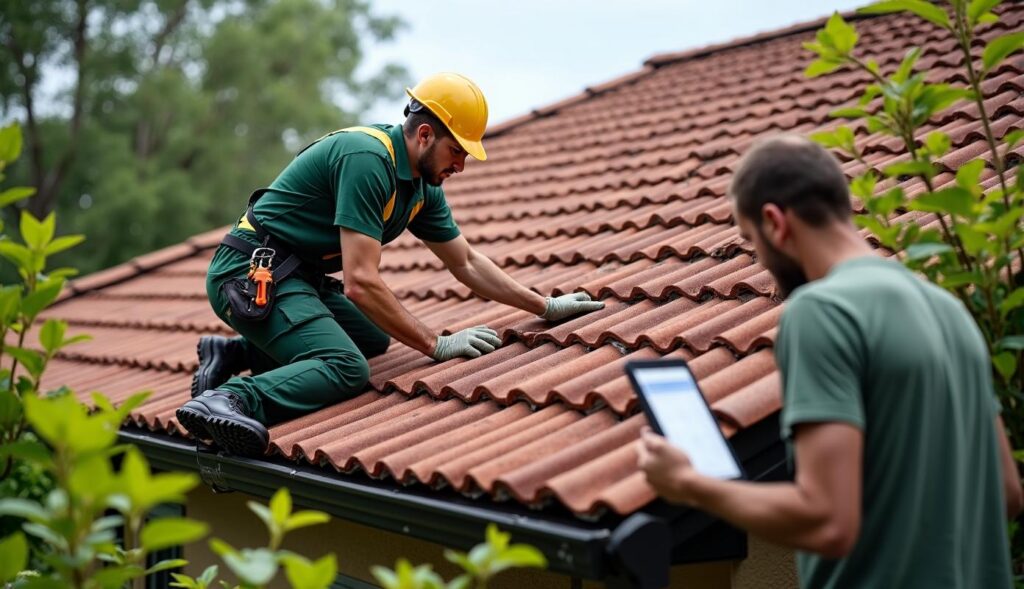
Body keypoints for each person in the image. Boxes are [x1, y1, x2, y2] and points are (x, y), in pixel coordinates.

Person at [637, 135, 1023, 588]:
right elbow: (1007, 493)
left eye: (751, 240)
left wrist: (689, 484)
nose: (759, 259)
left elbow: (827, 522)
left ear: (775, 222)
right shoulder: (948, 309)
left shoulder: (822, 311)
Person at [176, 73, 604, 457]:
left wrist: (544, 307)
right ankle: (228, 399)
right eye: (456, 151)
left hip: (299, 277)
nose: (460, 165)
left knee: (374, 338)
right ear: (423, 135)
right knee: (345, 367)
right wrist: (435, 344)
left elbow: (468, 262)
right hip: (251, 274)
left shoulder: (422, 187)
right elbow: (361, 282)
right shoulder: (367, 161)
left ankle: (238, 351)